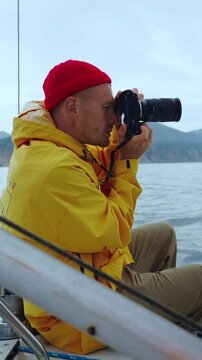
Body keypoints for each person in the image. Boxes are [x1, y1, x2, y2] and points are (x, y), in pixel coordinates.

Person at [0, 59, 201, 355]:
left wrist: (120, 141)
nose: (113, 118)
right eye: (107, 108)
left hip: (77, 274)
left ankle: (154, 326)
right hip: (74, 311)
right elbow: (115, 229)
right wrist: (128, 160)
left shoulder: (45, 145)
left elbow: (95, 165)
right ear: (72, 107)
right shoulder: (55, 168)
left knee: (164, 234)